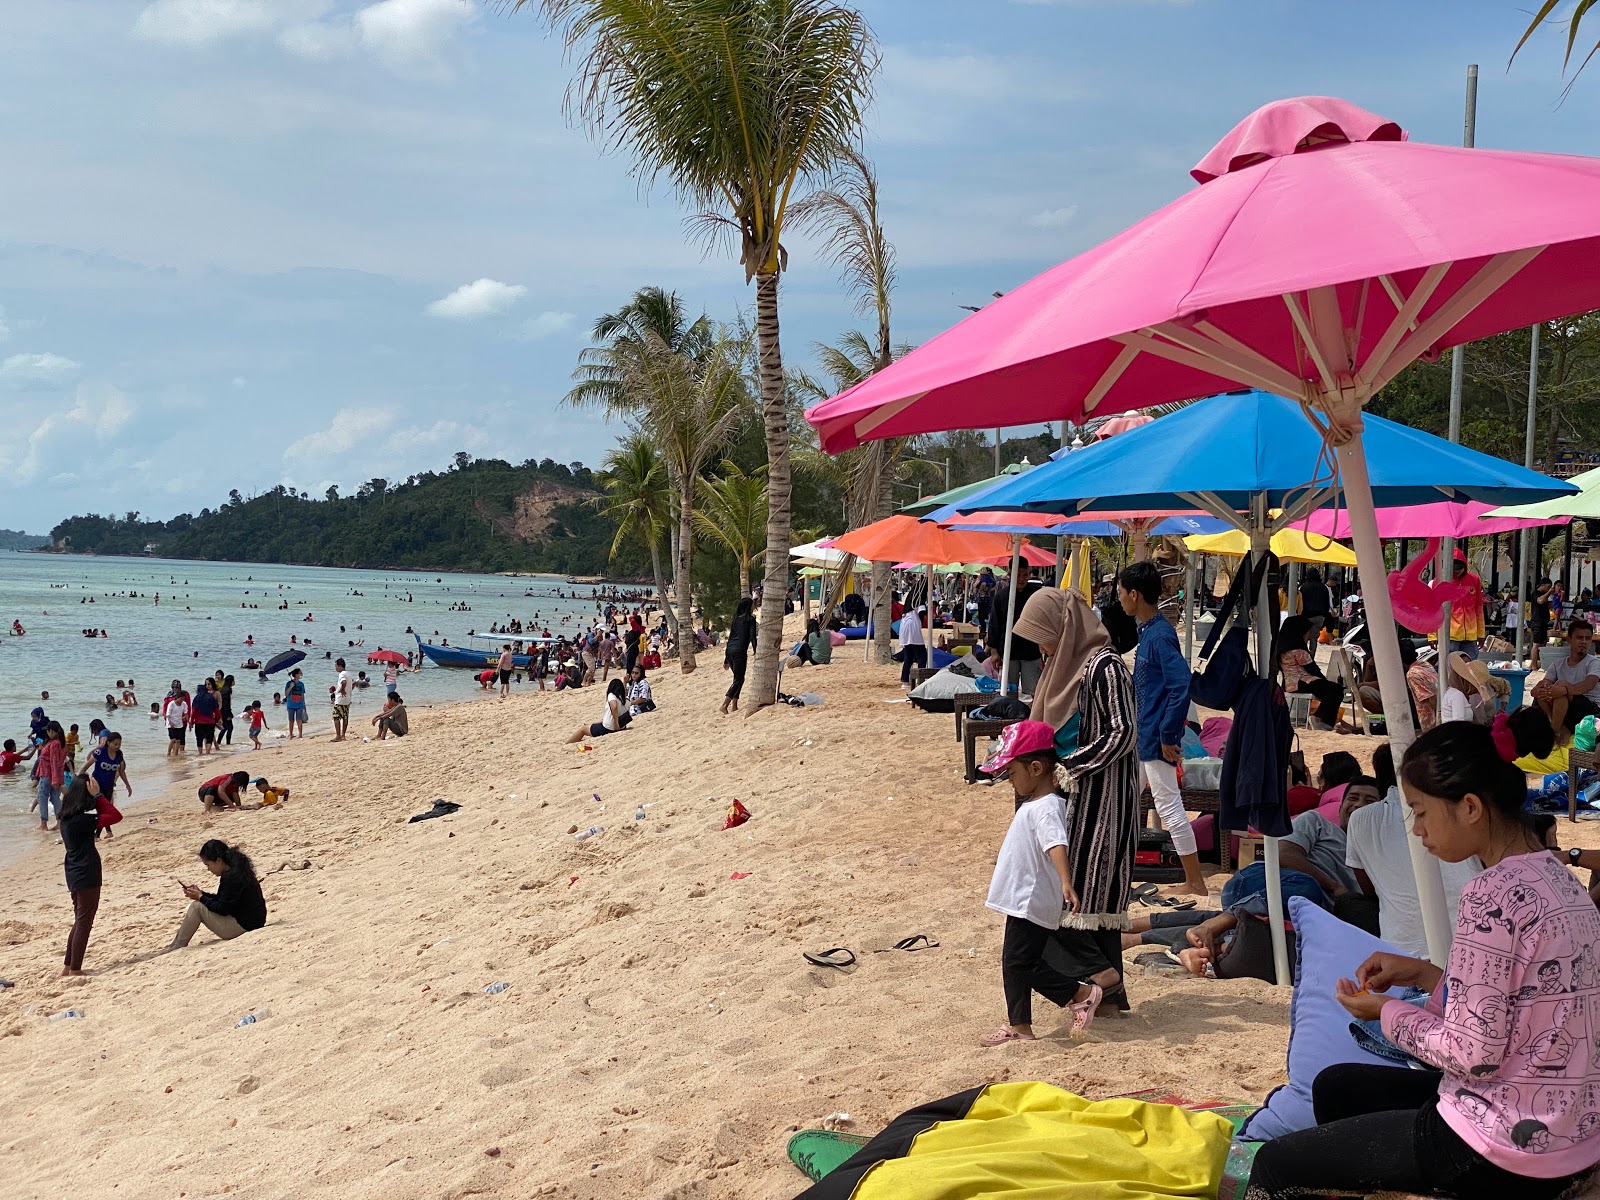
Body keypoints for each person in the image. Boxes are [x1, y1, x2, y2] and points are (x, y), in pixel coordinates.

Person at [1245, 718, 1600, 1199]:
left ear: (1470, 807)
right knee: (1337, 1086)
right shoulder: (1562, 882)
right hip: (1573, 1135)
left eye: (1420, 812)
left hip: (1504, 1146)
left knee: (1274, 1165)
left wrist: (1387, 1011)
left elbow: (1471, 1056)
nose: (1416, 830)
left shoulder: (1490, 896)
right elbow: (1525, 1005)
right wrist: (1430, 977)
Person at [1011, 586, 1139, 1016]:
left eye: (1044, 635)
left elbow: (1123, 732)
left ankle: (1103, 982)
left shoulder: (1105, 667)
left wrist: (1071, 765)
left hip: (1103, 802)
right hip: (1066, 800)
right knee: (1072, 894)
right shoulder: (1059, 667)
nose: (1042, 646)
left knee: (1086, 897)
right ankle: (1108, 996)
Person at [978, 721, 1106, 1045]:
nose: (1010, 781)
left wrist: (1066, 882)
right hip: (1021, 899)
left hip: (1030, 899)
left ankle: (1081, 993)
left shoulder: (1047, 807)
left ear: (1035, 767)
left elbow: (1055, 845)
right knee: (1014, 962)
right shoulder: (1036, 804)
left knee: (1023, 962)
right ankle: (1020, 1026)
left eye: (1012, 773)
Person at [1345, 740, 1490, 959]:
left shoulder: (1362, 820)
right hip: (1469, 942)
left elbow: (1369, 885)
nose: (1418, 829)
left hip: (1406, 948)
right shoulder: (1454, 811)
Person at [1119, 562, 1206, 897]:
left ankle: (1195, 881)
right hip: (1147, 735)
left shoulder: (1158, 636)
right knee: (1127, 802)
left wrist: (1169, 735)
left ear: (1135, 594)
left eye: (1122, 592)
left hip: (1156, 737)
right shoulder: (1151, 632)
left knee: (1168, 806)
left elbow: (1180, 684)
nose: (1120, 598)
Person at [168, 840, 267, 950]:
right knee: (199, 904)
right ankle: (175, 944)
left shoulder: (231, 877)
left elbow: (222, 908)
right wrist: (201, 894)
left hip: (244, 926)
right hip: (251, 921)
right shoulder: (235, 869)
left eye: (208, 865)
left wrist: (200, 897)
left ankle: (178, 945)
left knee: (196, 907)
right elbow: (224, 900)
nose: (208, 869)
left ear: (219, 861)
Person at [58, 775, 102, 976]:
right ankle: (75, 968)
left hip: (74, 871)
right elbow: (115, 815)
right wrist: (99, 795)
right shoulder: (84, 820)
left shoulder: (66, 819)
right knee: (84, 922)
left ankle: (68, 966)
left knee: (80, 919)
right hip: (87, 872)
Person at [1530, 617, 1600, 737]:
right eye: (1579, 638)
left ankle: (1554, 731)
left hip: (1590, 710)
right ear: (1569, 640)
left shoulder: (1594, 662)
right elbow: (1542, 684)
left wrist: (1564, 689)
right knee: (1545, 689)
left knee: (1561, 685)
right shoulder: (1558, 664)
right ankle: (1559, 728)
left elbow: (1589, 684)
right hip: (1564, 707)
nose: (1583, 642)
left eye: (1587, 639)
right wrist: (1540, 689)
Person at [1278, 614, 1347, 732]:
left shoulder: (1282, 649)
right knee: (1336, 689)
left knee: (1329, 690)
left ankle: (1323, 719)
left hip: (1289, 684)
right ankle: (1321, 720)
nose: (1309, 636)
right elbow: (1313, 670)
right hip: (1303, 682)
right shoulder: (1299, 650)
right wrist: (1326, 682)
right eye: (1307, 632)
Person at [987, 566, 1045, 697]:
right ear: (1010, 575)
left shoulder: (1035, 595)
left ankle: (1032, 717)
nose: (1021, 579)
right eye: (1017, 575)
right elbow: (994, 625)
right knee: (1008, 691)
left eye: (1025, 575)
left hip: (1032, 650)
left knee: (1035, 692)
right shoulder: (1001, 596)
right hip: (1008, 651)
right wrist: (994, 651)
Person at [86, 732, 131, 840]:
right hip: (97, 785)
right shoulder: (100, 752)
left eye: (119, 744)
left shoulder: (119, 755)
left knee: (104, 810)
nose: (117, 746)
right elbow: (87, 765)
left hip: (109, 786)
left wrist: (127, 785)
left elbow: (121, 771)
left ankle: (104, 833)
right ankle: (99, 834)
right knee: (101, 810)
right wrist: (79, 778)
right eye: (115, 744)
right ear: (109, 743)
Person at [1446, 548, 1486, 660]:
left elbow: (1478, 608)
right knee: (1451, 666)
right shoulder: (1442, 581)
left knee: (1472, 666)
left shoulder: (1474, 580)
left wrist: (1481, 634)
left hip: (1471, 634)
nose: (1457, 572)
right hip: (1451, 635)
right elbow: (1435, 609)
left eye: (1459, 569)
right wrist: (1433, 635)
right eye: (1454, 569)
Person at [722, 598, 758, 716]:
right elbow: (752, 636)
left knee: (738, 678)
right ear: (749, 606)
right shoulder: (750, 619)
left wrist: (726, 659)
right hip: (739, 651)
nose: (754, 606)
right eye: (753, 604)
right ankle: (725, 704)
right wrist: (756, 650)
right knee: (739, 678)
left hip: (730, 650)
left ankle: (734, 705)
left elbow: (731, 637)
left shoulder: (736, 619)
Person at [568, 679, 627, 743]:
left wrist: (616, 724)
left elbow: (614, 707)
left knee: (583, 729)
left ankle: (567, 743)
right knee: (591, 725)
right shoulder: (623, 699)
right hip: (622, 726)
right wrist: (625, 682)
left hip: (609, 728)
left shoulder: (611, 695)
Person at [31, 722, 66, 831]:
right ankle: (59, 822)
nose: (47, 732)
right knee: (55, 798)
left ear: (52, 731)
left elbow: (54, 761)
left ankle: (44, 823)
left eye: (48, 730)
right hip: (56, 775)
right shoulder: (60, 743)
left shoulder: (54, 744)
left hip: (48, 774)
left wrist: (54, 779)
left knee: (43, 798)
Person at [897, 605, 928, 687]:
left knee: (909, 656)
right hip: (912, 627)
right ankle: (920, 680)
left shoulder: (909, 602)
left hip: (904, 626)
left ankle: (905, 680)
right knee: (922, 656)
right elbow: (922, 611)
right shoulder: (918, 599)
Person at [1528, 580, 1554, 671]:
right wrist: (1549, 592)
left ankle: (1537, 662)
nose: (1548, 589)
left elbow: (1548, 605)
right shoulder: (1536, 593)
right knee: (1536, 644)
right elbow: (1540, 600)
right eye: (1548, 586)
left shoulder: (1545, 595)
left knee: (1542, 643)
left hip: (1544, 622)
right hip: (1537, 622)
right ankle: (1533, 665)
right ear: (1542, 585)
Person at [1299, 566, 1332, 636]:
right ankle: (1313, 647)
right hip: (1319, 616)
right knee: (1314, 637)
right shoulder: (1323, 587)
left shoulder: (1304, 587)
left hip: (1306, 615)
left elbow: (1301, 602)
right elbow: (1326, 602)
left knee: (1305, 636)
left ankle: (1305, 647)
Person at [190, 679, 219, 756]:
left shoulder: (196, 698)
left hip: (199, 722)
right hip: (210, 722)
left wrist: (191, 722)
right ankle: (207, 752)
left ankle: (200, 753)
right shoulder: (211, 698)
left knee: (199, 738)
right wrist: (219, 718)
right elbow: (216, 710)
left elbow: (194, 711)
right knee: (209, 738)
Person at [163, 683, 190, 758]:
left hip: (179, 723)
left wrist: (187, 719)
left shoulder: (184, 704)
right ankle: (168, 752)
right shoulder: (171, 704)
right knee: (173, 739)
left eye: (183, 699)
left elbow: (186, 712)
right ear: (177, 697)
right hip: (171, 723)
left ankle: (176, 753)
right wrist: (170, 722)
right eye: (181, 699)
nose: (182, 700)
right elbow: (168, 714)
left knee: (178, 740)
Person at [332, 658, 352, 741]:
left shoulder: (342, 674)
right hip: (347, 699)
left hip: (340, 699)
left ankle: (338, 736)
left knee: (336, 717)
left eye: (336, 666)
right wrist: (348, 691)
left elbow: (344, 682)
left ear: (340, 666)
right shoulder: (349, 674)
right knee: (345, 717)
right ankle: (343, 735)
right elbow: (353, 683)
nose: (335, 668)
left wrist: (342, 690)